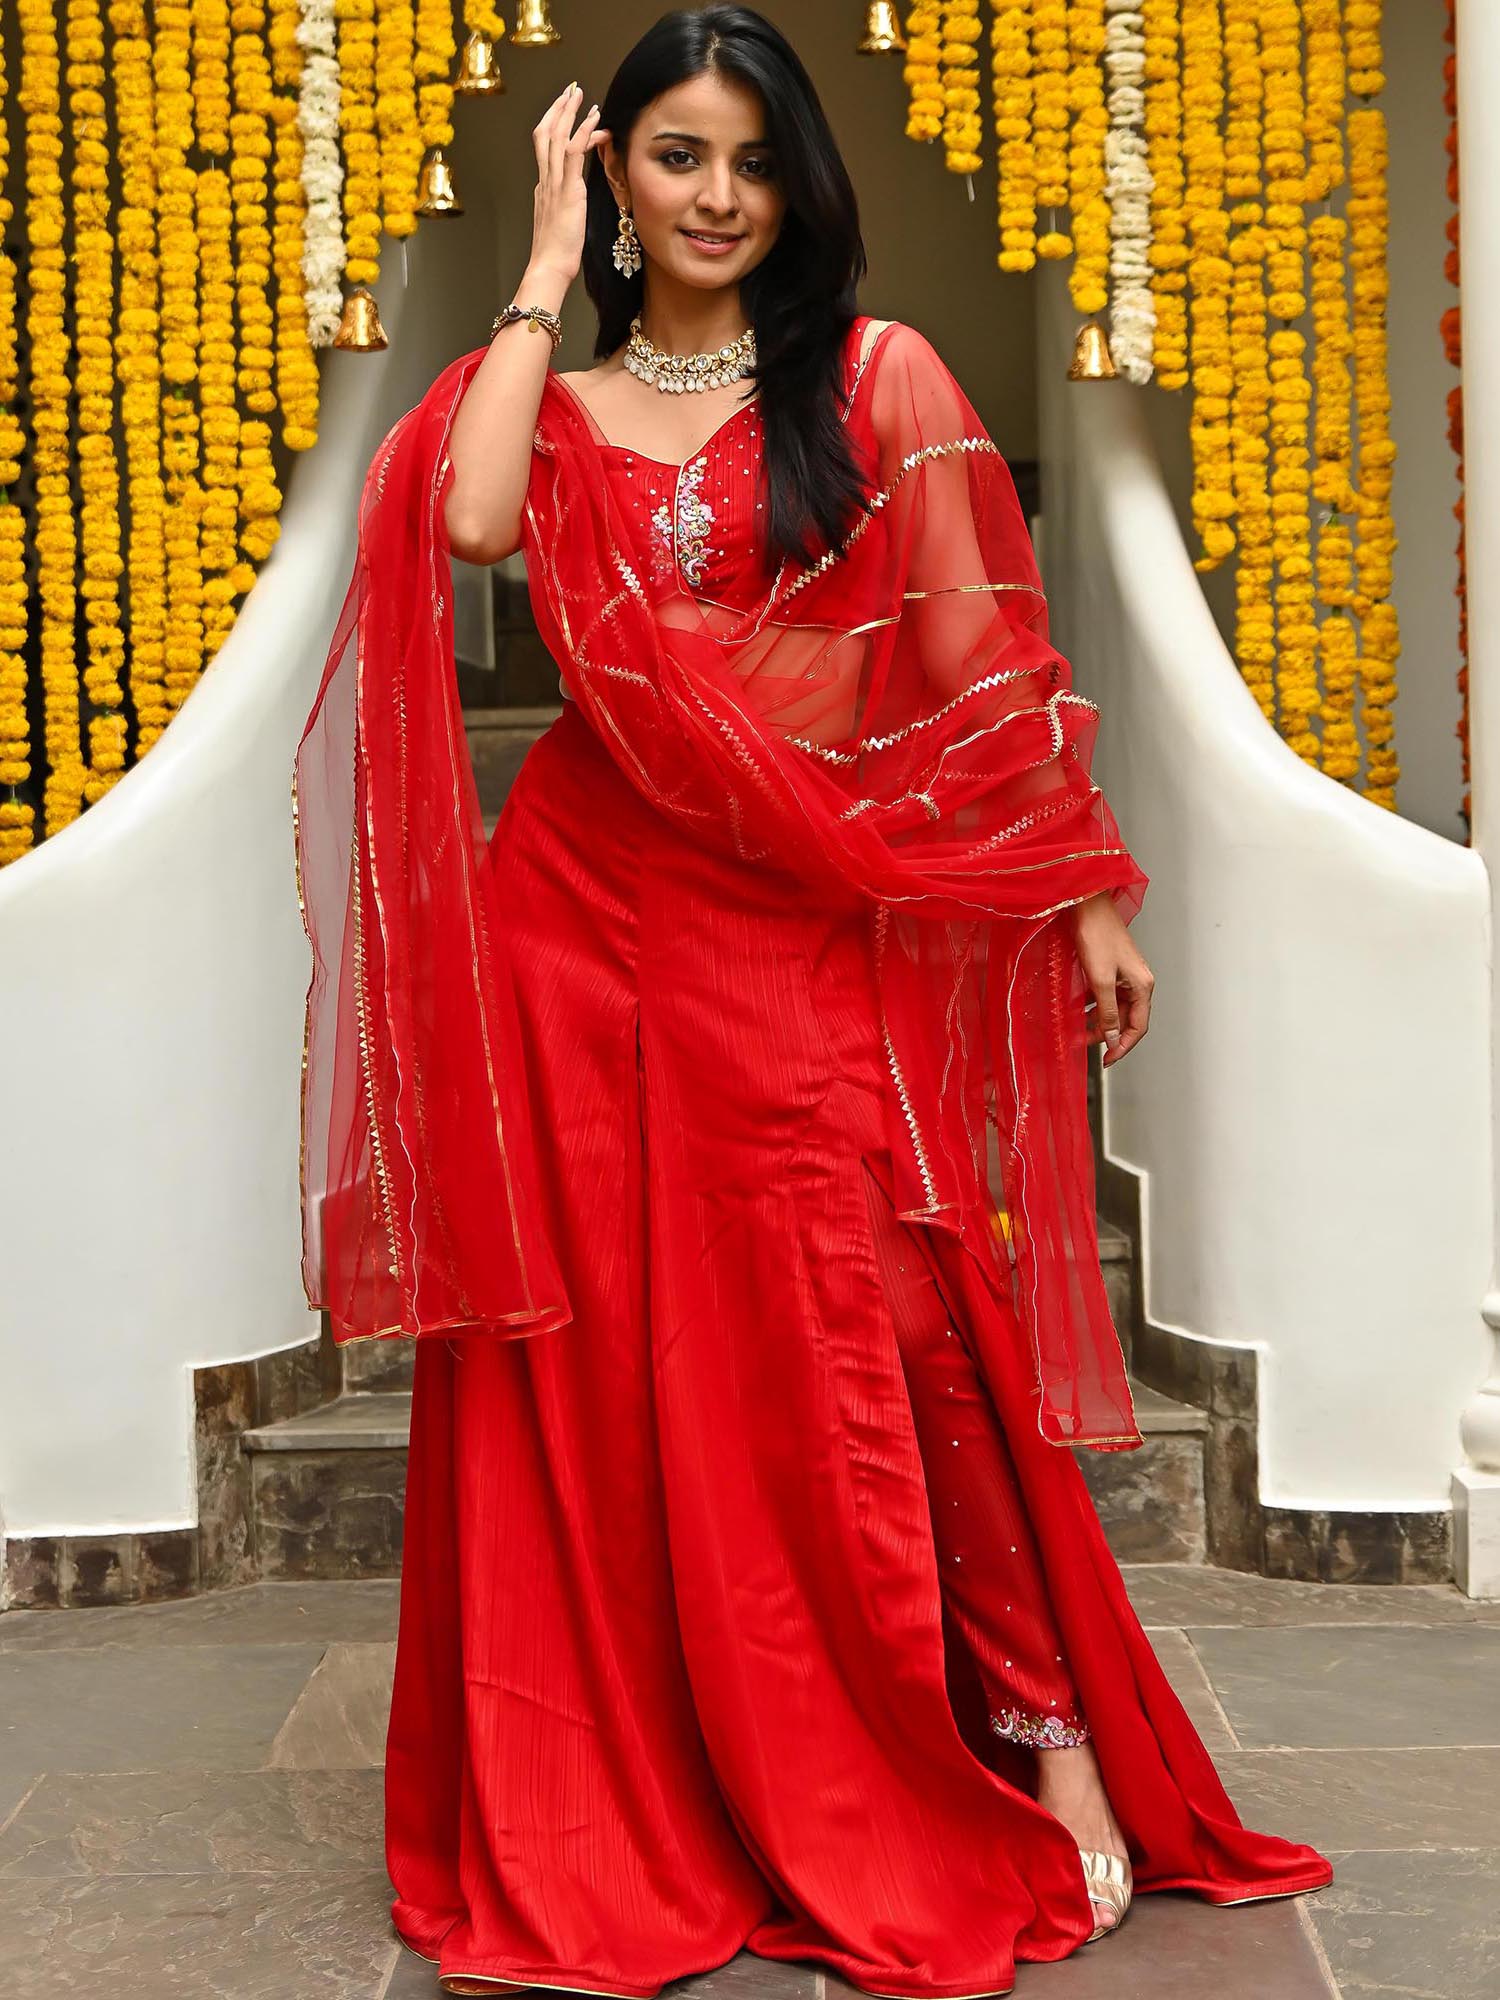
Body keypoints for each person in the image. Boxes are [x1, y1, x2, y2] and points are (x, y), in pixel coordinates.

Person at [292, 9, 1334, 1995]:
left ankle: (1045, 1753)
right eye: (675, 156)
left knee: (901, 1326)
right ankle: (659, 1763)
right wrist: (531, 272)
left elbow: (979, 658)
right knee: (602, 1371)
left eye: (751, 161)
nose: (716, 197)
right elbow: (474, 523)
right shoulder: (567, 395)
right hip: (582, 932)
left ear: (799, 187)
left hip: (803, 924)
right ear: (618, 179)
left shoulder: (879, 379)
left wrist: (1083, 890)